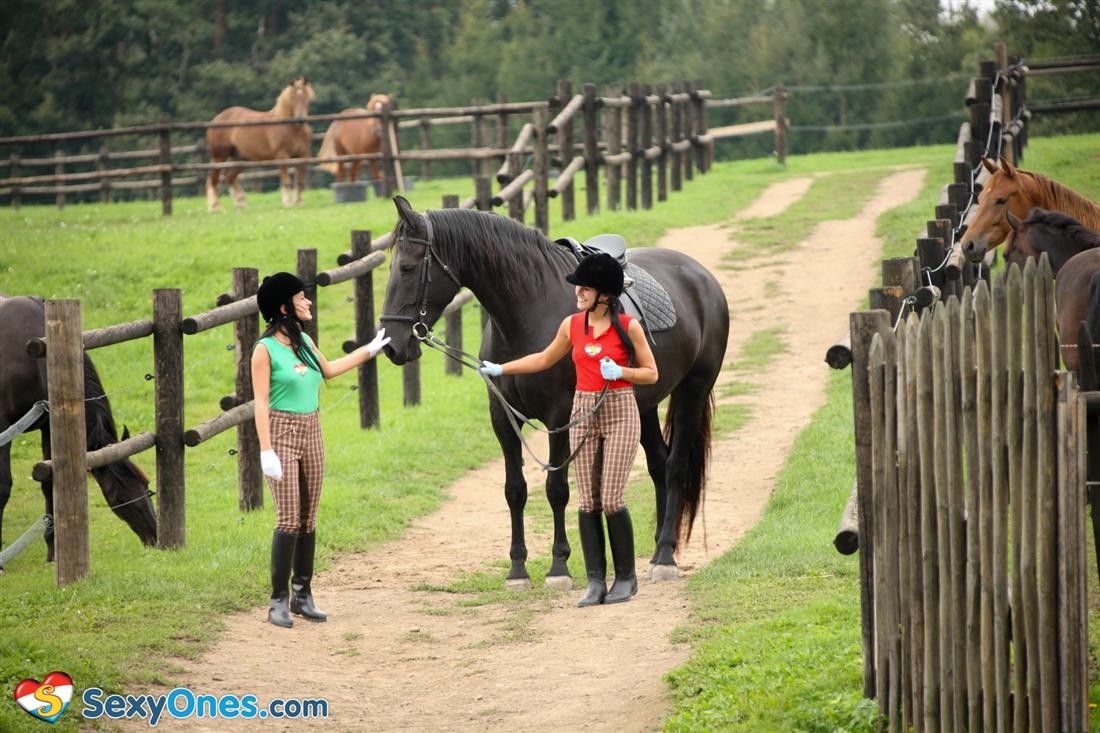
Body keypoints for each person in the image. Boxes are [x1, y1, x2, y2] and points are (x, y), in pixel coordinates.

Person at [479, 250, 658, 606]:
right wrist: (502, 369)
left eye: (585, 288)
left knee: (610, 498)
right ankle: (595, 581)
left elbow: (652, 374)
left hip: (619, 410)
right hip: (582, 411)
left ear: (605, 294)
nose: (578, 293)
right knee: (588, 501)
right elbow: (544, 359)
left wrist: (621, 372)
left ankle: (625, 577)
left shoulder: (629, 328)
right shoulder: (572, 326)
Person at [251, 272, 390, 628]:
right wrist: (266, 450)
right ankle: (278, 600)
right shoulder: (264, 350)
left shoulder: (305, 343)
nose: (308, 302)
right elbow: (261, 403)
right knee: (288, 518)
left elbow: (329, 371)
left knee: (308, 516)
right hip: (281, 431)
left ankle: (302, 594)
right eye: (301, 298)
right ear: (284, 307)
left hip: (312, 429)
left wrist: (370, 349)